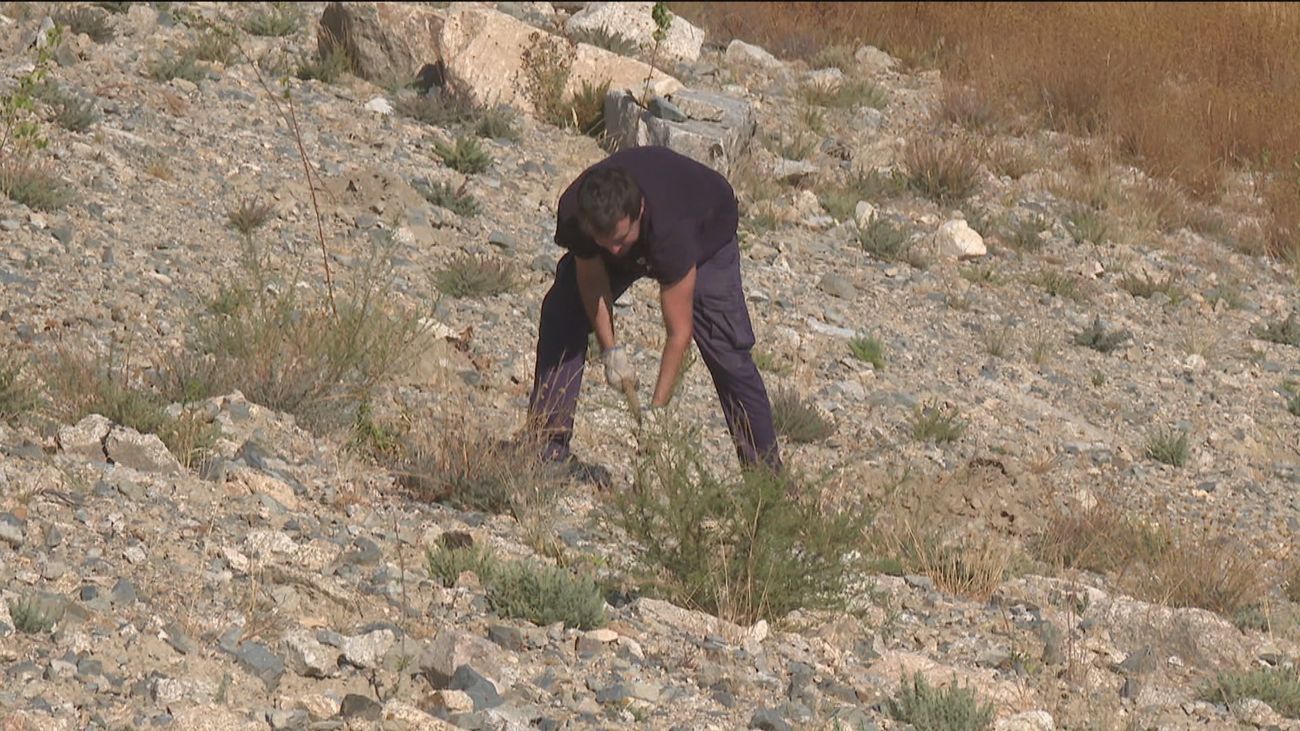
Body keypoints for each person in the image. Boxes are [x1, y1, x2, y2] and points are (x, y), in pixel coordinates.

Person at [525, 145, 783, 487]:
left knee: (726, 350)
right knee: (563, 312)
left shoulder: (671, 230)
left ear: (639, 212)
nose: (614, 252)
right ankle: (547, 448)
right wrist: (610, 349)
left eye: (619, 241)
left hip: (707, 228)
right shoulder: (580, 213)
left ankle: (767, 483)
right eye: (604, 243)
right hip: (638, 225)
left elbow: (679, 333)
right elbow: (591, 279)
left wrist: (656, 412)